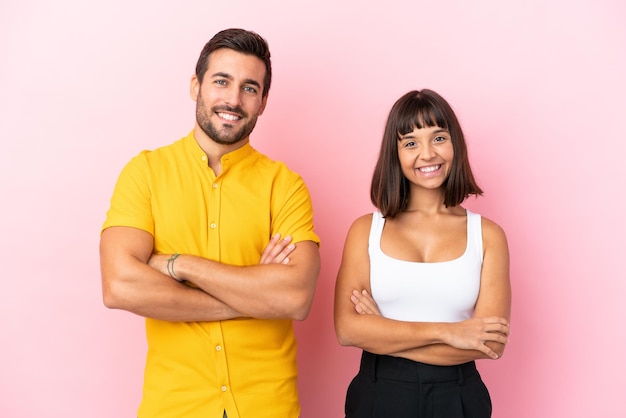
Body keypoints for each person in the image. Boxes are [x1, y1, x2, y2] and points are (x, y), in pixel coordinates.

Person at [99, 28, 321, 418]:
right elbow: (120, 286)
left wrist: (178, 265)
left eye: (250, 88)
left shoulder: (284, 186)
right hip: (175, 405)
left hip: (266, 405)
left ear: (263, 102)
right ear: (196, 85)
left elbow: (294, 298)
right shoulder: (145, 173)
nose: (233, 100)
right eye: (222, 81)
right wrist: (252, 296)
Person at [334, 89, 511, 417]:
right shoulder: (366, 231)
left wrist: (384, 330)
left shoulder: (487, 236)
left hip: (458, 396)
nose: (427, 154)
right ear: (395, 154)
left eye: (439, 138)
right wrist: (450, 333)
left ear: (455, 143)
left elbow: (490, 343)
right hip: (378, 394)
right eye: (411, 143)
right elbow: (348, 330)